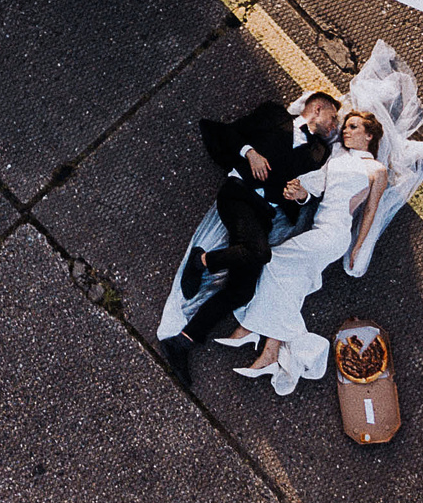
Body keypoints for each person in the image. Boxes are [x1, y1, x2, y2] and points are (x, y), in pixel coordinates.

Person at [158, 92, 339, 388]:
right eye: (332, 118)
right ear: (317, 108)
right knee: (260, 252)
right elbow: (228, 132)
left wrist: (301, 195)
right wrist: (249, 152)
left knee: (242, 291)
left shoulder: (319, 153)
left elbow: (309, 195)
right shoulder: (274, 115)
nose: (334, 127)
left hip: (264, 213)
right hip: (238, 195)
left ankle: (183, 341)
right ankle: (202, 261)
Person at [225, 111, 389, 392]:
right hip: (320, 229)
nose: (346, 132)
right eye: (345, 127)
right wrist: (299, 191)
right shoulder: (337, 160)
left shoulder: (377, 170)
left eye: (353, 127)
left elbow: (371, 211)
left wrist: (358, 246)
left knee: (274, 261)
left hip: (334, 236)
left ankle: (262, 331)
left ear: (370, 135)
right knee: (291, 284)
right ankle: (269, 353)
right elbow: (315, 185)